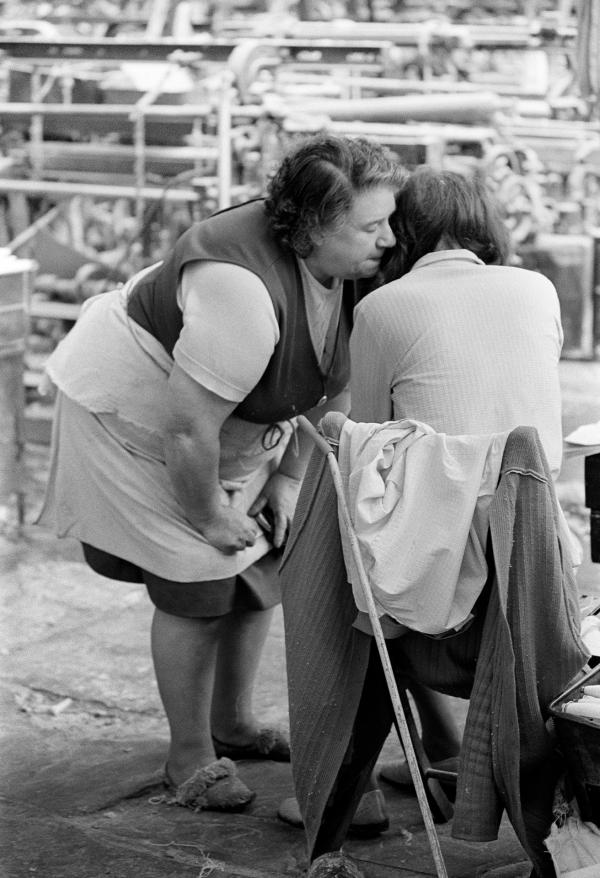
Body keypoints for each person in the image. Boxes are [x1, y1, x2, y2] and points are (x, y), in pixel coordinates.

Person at [37, 133, 403, 812]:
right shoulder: (238, 289)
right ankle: (189, 755)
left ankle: (232, 722)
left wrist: (287, 480)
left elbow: (328, 389)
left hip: (231, 424)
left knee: (261, 563)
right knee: (200, 572)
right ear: (312, 229)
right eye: (370, 226)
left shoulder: (359, 267)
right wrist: (208, 513)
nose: (388, 237)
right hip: (134, 415)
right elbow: (186, 427)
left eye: (389, 219)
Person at [280, 167, 586, 878]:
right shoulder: (537, 289)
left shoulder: (383, 307)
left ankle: (341, 797)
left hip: (435, 598)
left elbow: (369, 442)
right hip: (538, 575)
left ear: (402, 235)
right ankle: (443, 751)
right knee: (413, 548)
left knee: (366, 554)